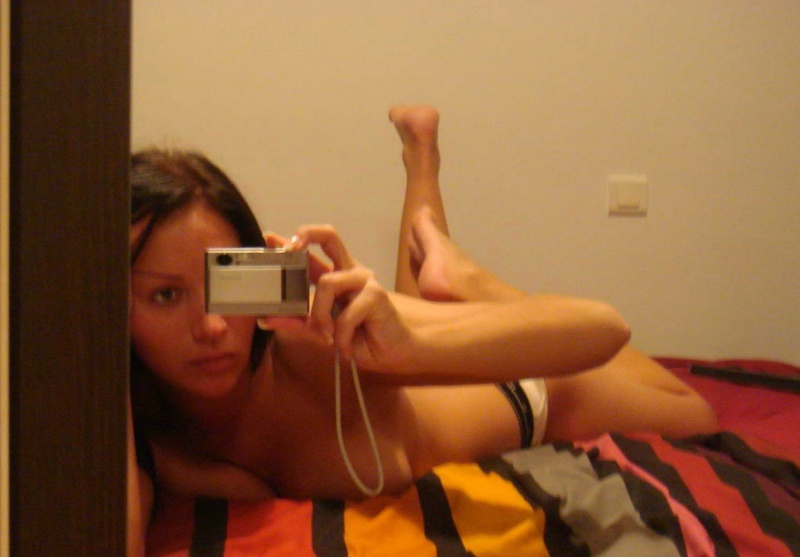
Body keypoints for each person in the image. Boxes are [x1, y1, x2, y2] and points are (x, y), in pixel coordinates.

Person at [127, 106, 717, 556]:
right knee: (414, 301)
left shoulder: (312, 341)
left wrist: (408, 343)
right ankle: (423, 162)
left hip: (530, 393)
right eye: (165, 296)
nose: (210, 328)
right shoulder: (142, 431)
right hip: (417, 390)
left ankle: (470, 279)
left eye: (222, 286)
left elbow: (606, 328)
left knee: (696, 415)